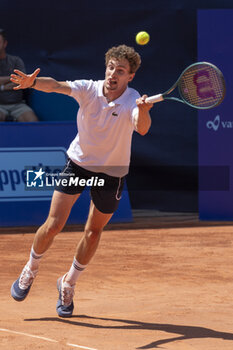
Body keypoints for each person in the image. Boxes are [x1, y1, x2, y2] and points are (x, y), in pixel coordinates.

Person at [10, 44, 153, 317]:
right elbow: (57, 86)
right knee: (54, 225)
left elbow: (142, 128)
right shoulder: (89, 88)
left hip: (112, 174)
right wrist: (33, 82)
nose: (113, 74)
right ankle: (30, 269)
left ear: (130, 76)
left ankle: (68, 283)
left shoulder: (133, 100)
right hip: (78, 164)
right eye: (111, 67)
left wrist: (144, 110)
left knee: (93, 231)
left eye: (120, 70)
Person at [0, 28, 38, 122]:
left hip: (18, 105)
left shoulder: (16, 61)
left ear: (5, 44)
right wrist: (11, 78)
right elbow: (17, 80)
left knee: (32, 120)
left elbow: (23, 81)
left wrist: (2, 87)